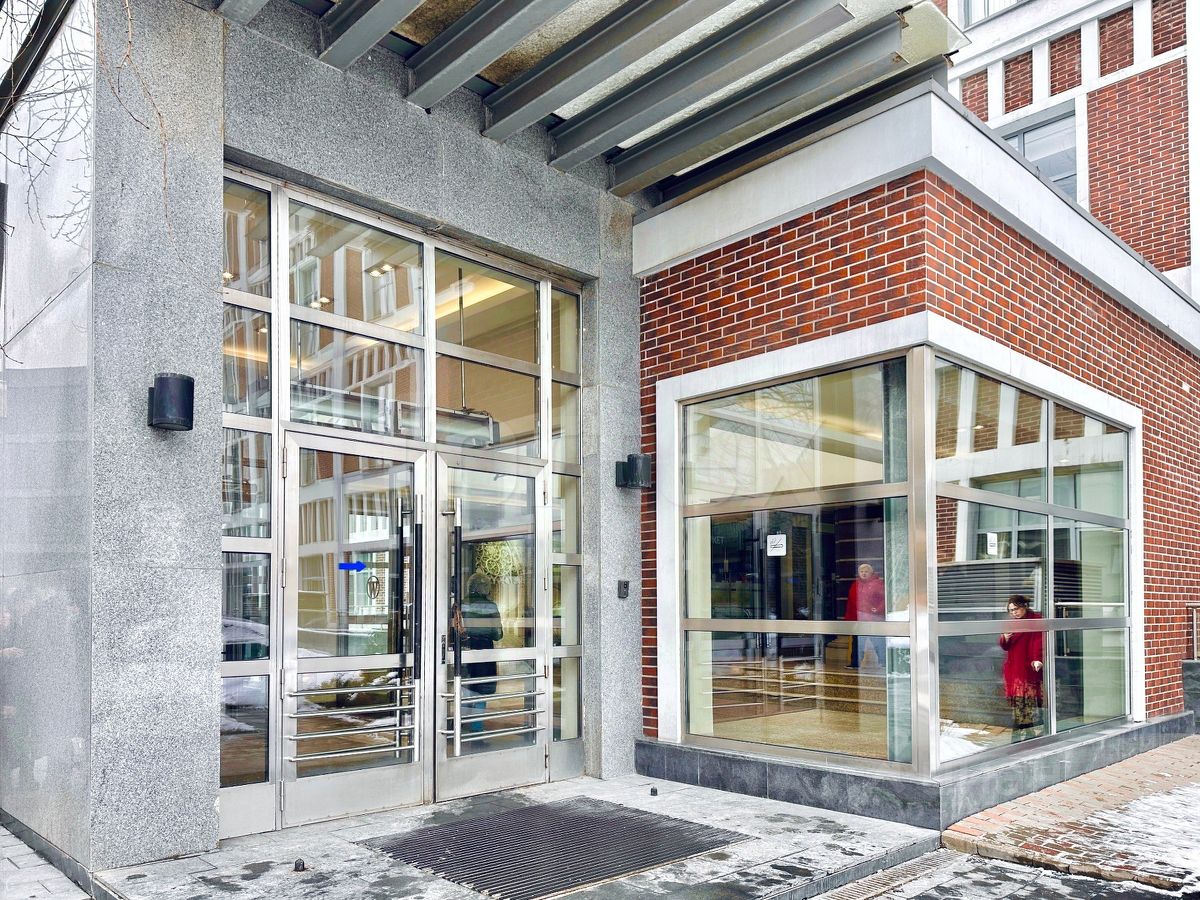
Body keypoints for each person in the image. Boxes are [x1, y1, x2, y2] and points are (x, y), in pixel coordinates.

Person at [459, 572, 504, 733]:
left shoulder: (462, 604)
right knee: (481, 689)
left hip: (465, 649)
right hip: (485, 651)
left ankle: (460, 722)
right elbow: (498, 634)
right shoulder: (491, 606)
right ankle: (476, 729)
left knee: (465, 687)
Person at [999, 594, 1045, 743]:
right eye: (1011, 610)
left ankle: (1020, 739)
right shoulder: (1012, 623)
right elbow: (1005, 646)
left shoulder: (1035, 620)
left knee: (1027, 705)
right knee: (1020, 706)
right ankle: (1024, 737)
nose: (1014, 613)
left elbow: (1038, 641)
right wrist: (1005, 637)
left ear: (1024, 606)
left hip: (1028, 668)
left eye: (1016, 609)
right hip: (1014, 670)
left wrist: (1037, 659)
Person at [845, 563, 885, 669]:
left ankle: (884, 662)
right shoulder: (855, 584)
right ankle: (855, 663)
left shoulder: (878, 583)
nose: (864, 573)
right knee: (857, 642)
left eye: (866, 571)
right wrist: (849, 618)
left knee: (877, 641)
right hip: (859, 618)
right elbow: (850, 603)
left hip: (873, 618)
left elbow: (884, 599)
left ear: (871, 573)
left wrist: (878, 609)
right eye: (861, 572)